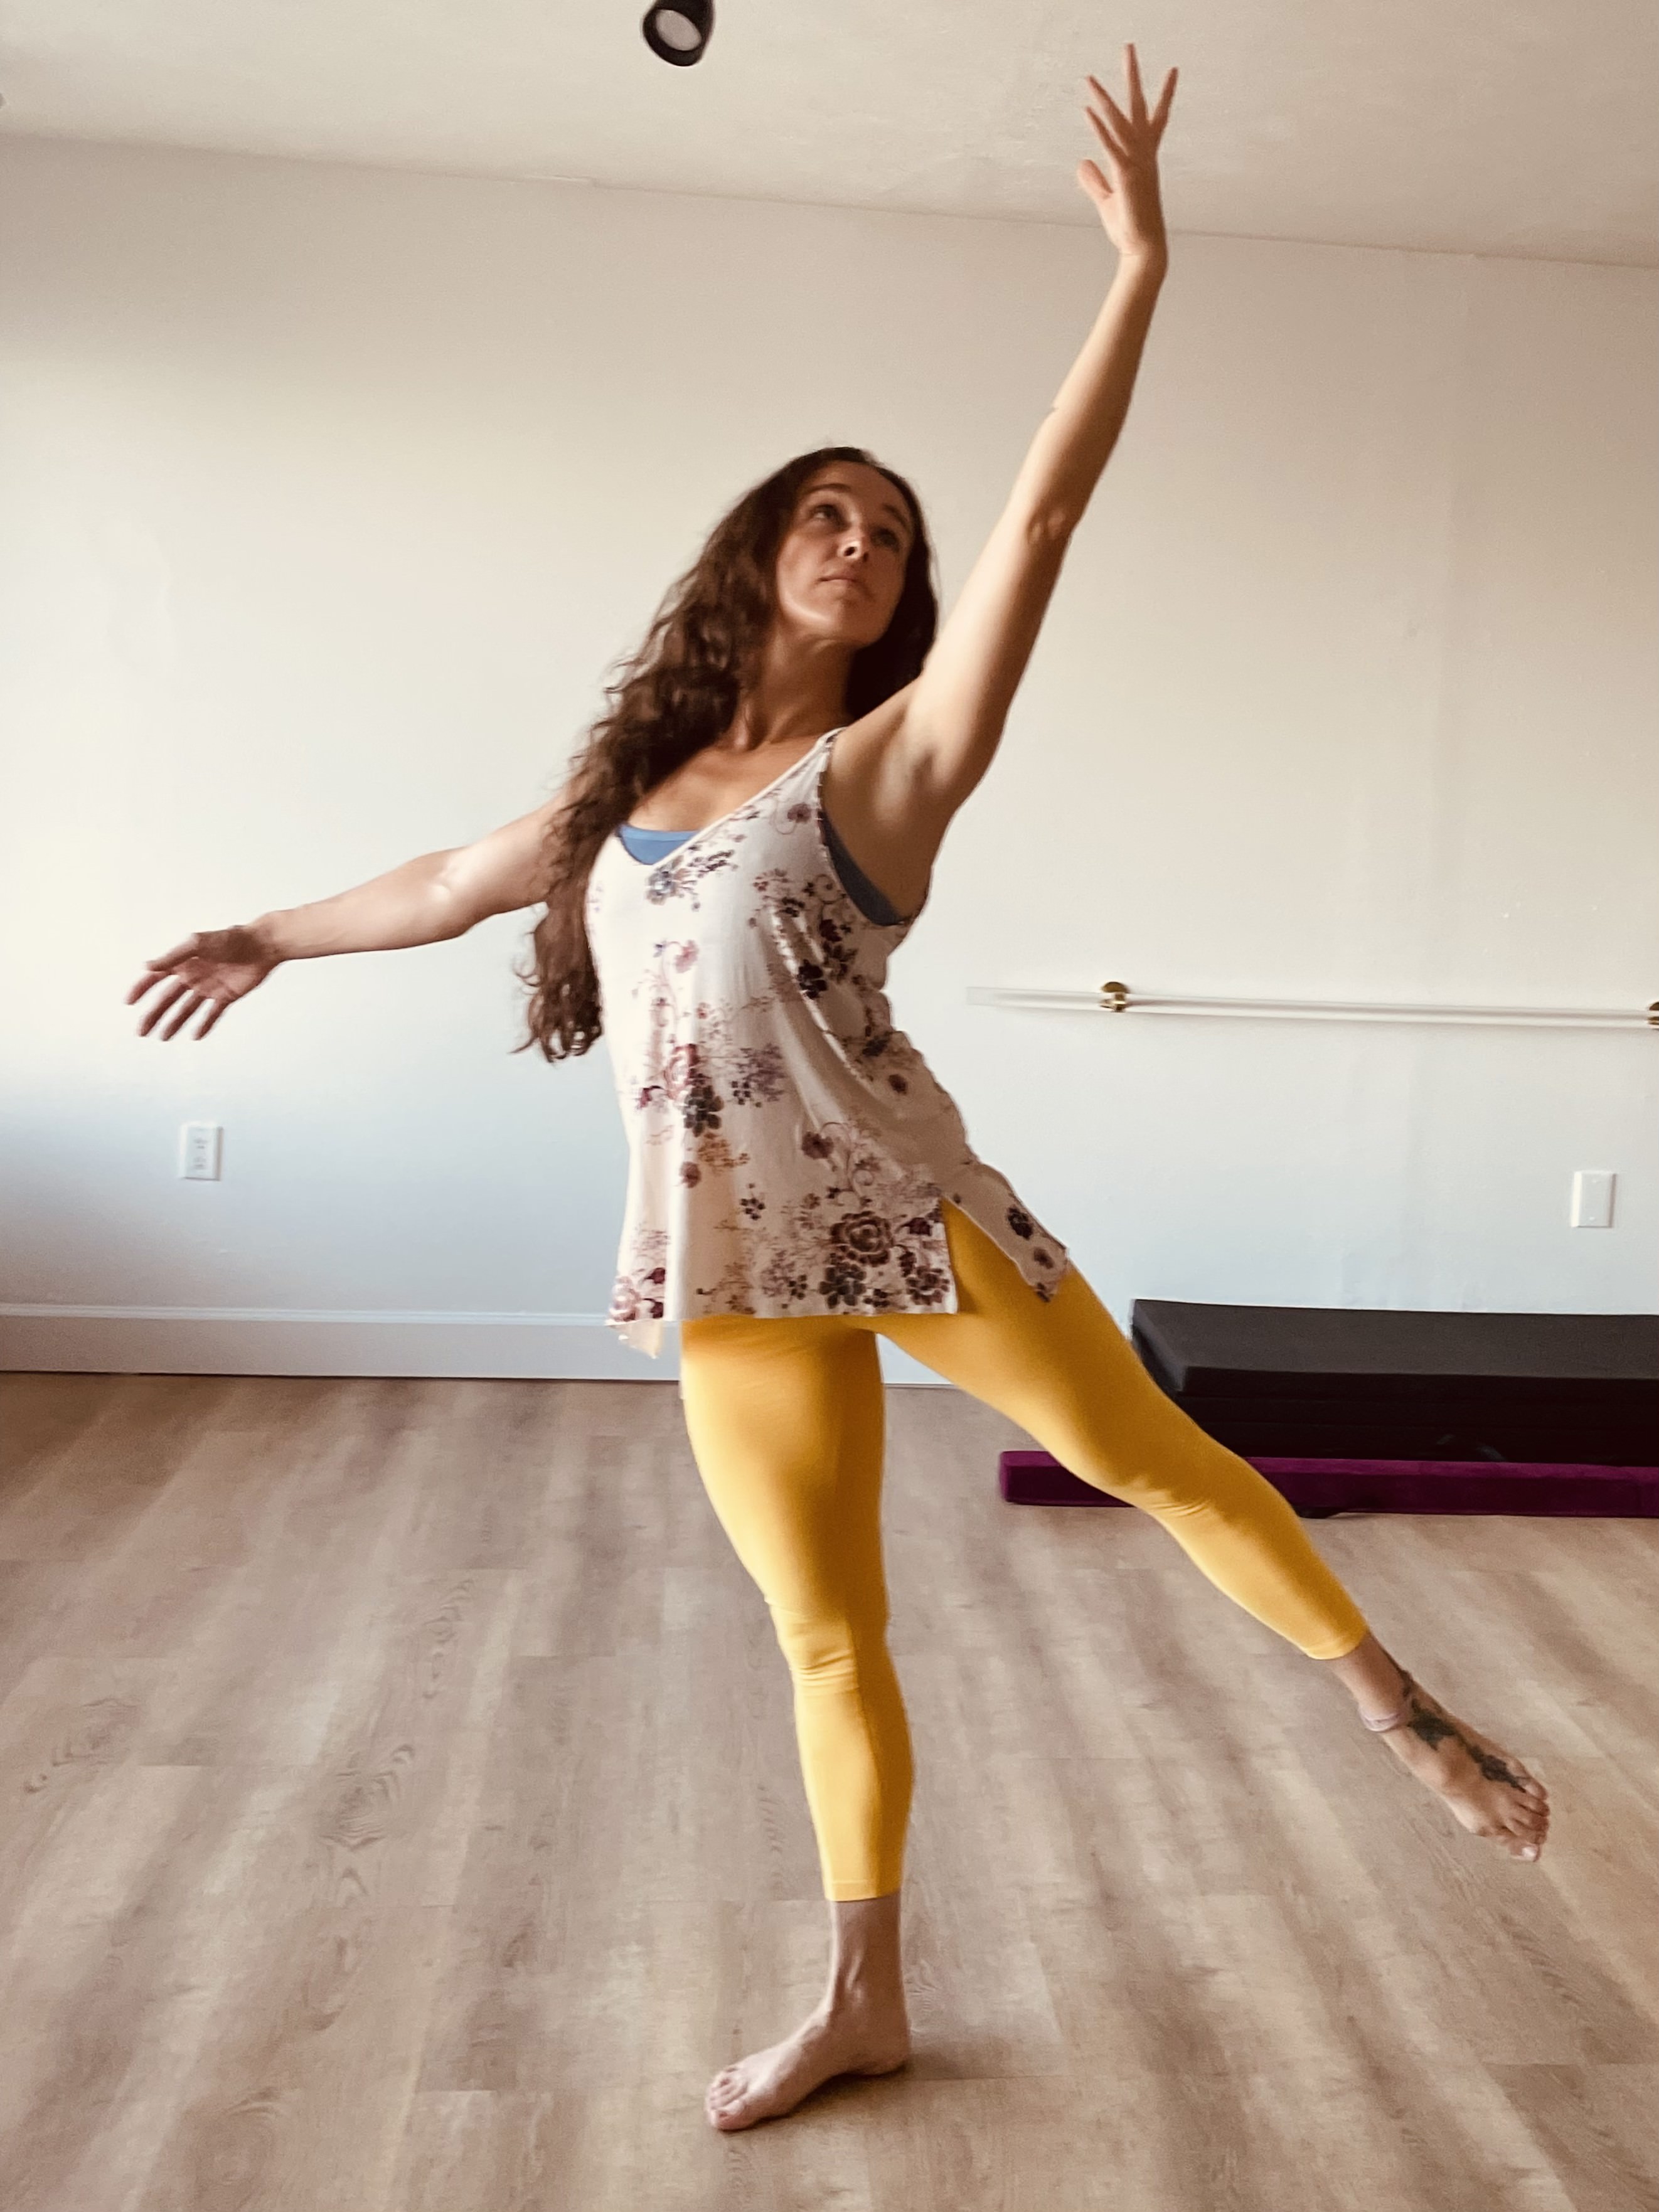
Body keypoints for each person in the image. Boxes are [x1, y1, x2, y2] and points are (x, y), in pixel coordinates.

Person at [129, 47, 1550, 2135]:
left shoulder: (886, 771)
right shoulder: (622, 799)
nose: (861, 543)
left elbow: (1048, 509)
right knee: (824, 1639)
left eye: (888, 536)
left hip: (907, 1216)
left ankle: (1402, 1716)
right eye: (826, 513)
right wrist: (262, 932)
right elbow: (446, 881)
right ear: (753, 555)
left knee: (1153, 1459)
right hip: (725, 1265)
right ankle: (862, 1993)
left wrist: (1138, 270)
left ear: (905, 606)